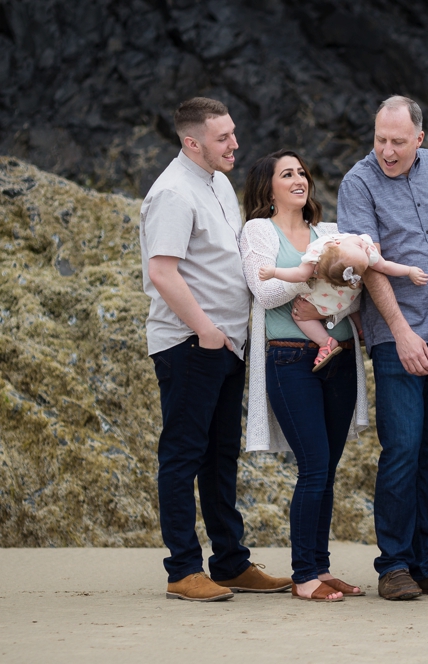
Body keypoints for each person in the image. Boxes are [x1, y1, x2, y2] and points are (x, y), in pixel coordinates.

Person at [130, 97, 291, 603]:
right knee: (183, 453)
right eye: (223, 138)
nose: (235, 144)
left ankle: (230, 562)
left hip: (227, 342)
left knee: (220, 456)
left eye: (234, 133)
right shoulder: (173, 193)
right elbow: (162, 271)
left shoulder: (218, 182)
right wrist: (205, 331)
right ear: (191, 141)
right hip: (189, 343)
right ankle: (182, 569)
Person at [337, 95, 428, 600]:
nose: (387, 151)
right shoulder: (358, 182)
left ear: (420, 138)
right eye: (380, 140)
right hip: (398, 335)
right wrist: (400, 331)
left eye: (399, 141)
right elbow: (369, 262)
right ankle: (394, 565)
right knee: (402, 448)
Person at [238, 150, 363, 602]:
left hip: (341, 356)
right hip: (290, 358)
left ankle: (322, 567)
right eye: (286, 174)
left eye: (302, 172)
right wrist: (314, 272)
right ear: (268, 187)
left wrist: (321, 305)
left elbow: (355, 289)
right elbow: (265, 290)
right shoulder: (258, 231)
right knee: (311, 466)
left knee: (327, 469)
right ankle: (303, 573)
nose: (298, 179)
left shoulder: (327, 232)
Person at [255, 231, 428, 369]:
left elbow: (300, 274)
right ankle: (357, 330)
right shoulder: (360, 249)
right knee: (350, 309)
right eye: (360, 246)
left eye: (361, 246)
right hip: (347, 298)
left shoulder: (322, 249)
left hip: (327, 300)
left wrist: (274, 272)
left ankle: (326, 342)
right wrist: (408, 270)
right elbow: (384, 266)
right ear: (337, 243)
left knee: (301, 315)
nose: (364, 245)